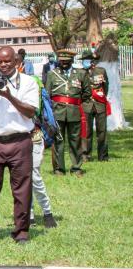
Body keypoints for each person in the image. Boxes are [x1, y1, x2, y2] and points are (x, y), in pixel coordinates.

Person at [0, 47, 39, 244]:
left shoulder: (28, 82)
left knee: (22, 190)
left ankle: (21, 232)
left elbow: (30, 112)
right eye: (0, 62)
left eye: (7, 61)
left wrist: (8, 95)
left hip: (19, 142)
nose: (3, 65)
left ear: (17, 61)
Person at [45, 48, 90, 176]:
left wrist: (74, 102)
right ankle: (59, 169)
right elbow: (47, 95)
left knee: (75, 140)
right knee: (58, 140)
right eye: (62, 60)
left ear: (72, 60)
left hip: (74, 111)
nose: (64, 63)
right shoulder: (52, 74)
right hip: (57, 112)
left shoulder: (81, 74)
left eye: (67, 61)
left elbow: (86, 93)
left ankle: (76, 167)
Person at [30, 72, 57, 228]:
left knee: (34, 177)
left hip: (33, 136)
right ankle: (29, 215)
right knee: (20, 180)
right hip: (14, 140)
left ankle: (47, 213)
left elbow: (37, 110)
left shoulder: (33, 83)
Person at [81, 48, 110, 162]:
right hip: (86, 104)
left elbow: (106, 87)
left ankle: (103, 156)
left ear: (92, 60)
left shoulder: (101, 71)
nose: (85, 62)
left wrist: (100, 98)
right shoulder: (80, 72)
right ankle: (86, 155)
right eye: (83, 60)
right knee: (86, 132)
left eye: (87, 59)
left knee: (102, 131)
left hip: (99, 105)